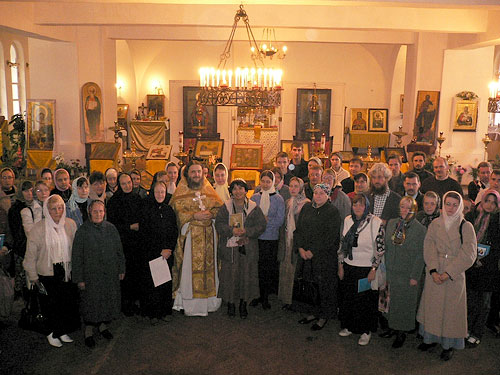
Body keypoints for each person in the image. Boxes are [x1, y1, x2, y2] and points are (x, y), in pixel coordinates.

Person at [417, 191, 477, 361]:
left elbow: (469, 254)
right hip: (435, 271)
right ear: (443, 205)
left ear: (460, 207)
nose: (451, 208)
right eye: (448, 204)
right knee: (432, 308)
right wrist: (433, 270)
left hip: (454, 274)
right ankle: (430, 339)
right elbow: (428, 246)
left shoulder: (466, 226)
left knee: (450, 312)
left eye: (454, 204)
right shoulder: (435, 223)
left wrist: (448, 272)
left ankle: (448, 345)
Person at [23, 195, 78, 348]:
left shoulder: (70, 224)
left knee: (63, 303)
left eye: (60, 208)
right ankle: (50, 332)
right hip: (46, 273)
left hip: (65, 270)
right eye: (53, 208)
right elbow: (30, 256)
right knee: (48, 305)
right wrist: (33, 276)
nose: (58, 212)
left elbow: (75, 249)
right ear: (47, 210)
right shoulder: (38, 228)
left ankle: (61, 330)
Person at [170, 161, 223, 317]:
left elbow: (219, 208)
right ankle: (188, 304)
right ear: (187, 175)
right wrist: (193, 215)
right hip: (190, 239)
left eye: (199, 172)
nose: (196, 175)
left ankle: (209, 303)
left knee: (209, 270)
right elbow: (175, 212)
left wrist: (211, 214)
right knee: (188, 271)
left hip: (208, 238)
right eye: (193, 172)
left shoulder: (209, 190)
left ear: (203, 173)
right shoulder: (180, 192)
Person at [72, 200, 125, 348]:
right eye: (95, 211)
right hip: (91, 276)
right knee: (91, 303)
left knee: (106, 301)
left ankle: (102, 326)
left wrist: (121, 268)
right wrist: (79, 279)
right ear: (89, 212)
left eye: (101, 211)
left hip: (109, 274)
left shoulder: (111, 228)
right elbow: (77, 257)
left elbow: (119, 251)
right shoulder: (82, 231)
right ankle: (88, 331)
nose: (98, 214)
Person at [215, 179, 266, 319]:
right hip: (230, 250)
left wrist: (247, 231)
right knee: (230, 276)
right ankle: (231, 303)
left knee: (246, 276)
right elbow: (218, 224)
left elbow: (261, 226)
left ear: (245, 190)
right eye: (235, 189)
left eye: (241, 188)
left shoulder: (253, 207)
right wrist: (231, 231)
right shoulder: (225, 206)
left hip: (247, 249)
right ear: (231, 191)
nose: (238, 192)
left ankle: (244, 304)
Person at [338, 193, 384, 345]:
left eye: (361, 205)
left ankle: (366, 330)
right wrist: (340, 265)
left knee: (365, 301)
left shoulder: (375, 222)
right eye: (355, 204)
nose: (357, 207)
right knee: (349, 299)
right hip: (350, 266)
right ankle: (350, 326)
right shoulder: (348, 220)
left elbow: (380, 248)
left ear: (367, 207)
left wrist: (373, 269)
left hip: (366, 269)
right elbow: (342, 244)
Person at [381, 197, 426, 348]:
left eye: (408, 207)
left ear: (414, 209)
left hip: (407, 272)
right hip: (391, 270)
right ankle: (392, 327)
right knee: (391, 301)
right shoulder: (392, 223)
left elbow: (421, 255)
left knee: (404, 303)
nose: (404, 210)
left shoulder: (420, 229)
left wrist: (415, 276)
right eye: (402, 207)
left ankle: (402, 333)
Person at [295, 184, 341, 331]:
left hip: (324, 257)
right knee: (310, 285)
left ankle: (324, 315)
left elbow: (330, 236)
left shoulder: (332, 211)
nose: (318, 196)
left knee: (324, 287)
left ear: (328, 195)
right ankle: (312, 312)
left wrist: (313, 250)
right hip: (306, 255)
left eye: (322, 193)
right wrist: (300, 247)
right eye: (316, 193)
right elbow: (299, 229)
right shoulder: (307, 208)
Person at [464, 189, 500, 348]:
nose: (490, 205)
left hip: (489, 269)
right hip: (471, 266)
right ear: (482, 201)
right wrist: (473, 258)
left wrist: (484, 259)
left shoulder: (498, 220)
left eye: (494, 202)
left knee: (484, 304)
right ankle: (467, 329)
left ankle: (477, 333)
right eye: (487, 201)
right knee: (470, 301)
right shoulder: (471, 217)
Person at [139, 181, 178, 324]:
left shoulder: (169, 210)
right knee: (152, 285)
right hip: (152, 253)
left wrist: (169, 249)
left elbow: (174, 231)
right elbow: (145, 234)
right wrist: (159, 250)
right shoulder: (146, 210)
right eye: (157, 192)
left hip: (167, 254)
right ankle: (153, 314)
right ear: (152, 193)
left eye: (162, 192)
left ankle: (164, 311)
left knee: (165, 284)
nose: (160, 195)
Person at [106, 173, 142, 316]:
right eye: (124, 183)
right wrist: (129, 227)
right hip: (122, 243)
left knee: (135, 272)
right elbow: (112, 225)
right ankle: (124, 303)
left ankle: (134, 301)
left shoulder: (137, 198)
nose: (127, 186)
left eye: (129, 182)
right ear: (119, 185)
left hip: (136, 243)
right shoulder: (114, 202)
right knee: (124, 274)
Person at [250, 170, 285, 310]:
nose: (265, 184)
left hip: (271, 238)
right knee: (256, 267)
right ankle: (256, 295)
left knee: (267, 268)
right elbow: (250, 218)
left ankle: (265, 297)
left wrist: (265, 221)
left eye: (268, 182)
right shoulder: (254, 197)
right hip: (256, 238)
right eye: (263, 181)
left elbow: (280, 220)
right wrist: (259, 222)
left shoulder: (278, 199)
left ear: (273, 183)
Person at [278, 177, 309, 309]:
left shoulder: (306, 204)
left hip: (298, 242)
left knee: (295, 270)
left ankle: (294, 300)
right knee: (286, 269)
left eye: (296, 186)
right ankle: (285, 298)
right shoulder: (288, 202)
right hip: (287, 240)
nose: (293, 189)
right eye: (291, 186)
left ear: (301, 188)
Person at [8, 181, 34, 300]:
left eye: (31, 190)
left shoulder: (35, 205)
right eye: (25, 190)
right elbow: (16, 232)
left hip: (33, 249)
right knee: (23, 281)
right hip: (21, 250)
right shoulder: (15, 209)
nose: (29, 193)